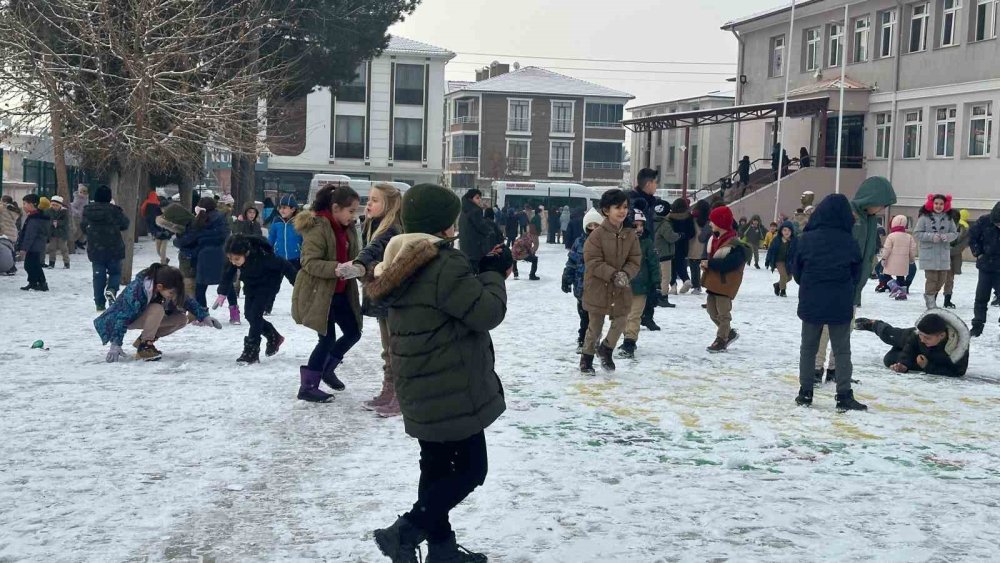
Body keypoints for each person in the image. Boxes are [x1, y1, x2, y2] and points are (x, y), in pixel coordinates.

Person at [368, 184, 509, 563]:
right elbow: (486, 312)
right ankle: (405, 531)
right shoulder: (444, 263)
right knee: (470, 469)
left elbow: (442, 298)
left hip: (419, 384)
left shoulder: (398, 259)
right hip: (451, 386)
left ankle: (442, 551)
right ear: (445, 225)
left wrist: (477, 270)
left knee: (434, 470)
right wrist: (494, 274)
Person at [814, 176, 897, 382]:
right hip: (836, 281)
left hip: (853, 285)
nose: (881, 209)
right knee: (825, 328)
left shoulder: (869, 220)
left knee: (845, 329)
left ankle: (836, 370)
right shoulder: (847, 214)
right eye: (881, 204)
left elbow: (868, 251)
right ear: (871, 198)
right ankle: (815, 369)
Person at [792, 193, 866, 411]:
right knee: (842, 350)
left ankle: (805, 392)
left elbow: (797, 271)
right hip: (840, 300)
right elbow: (857, 273)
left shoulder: (806, 239)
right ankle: (844, 394)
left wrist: (808, 284)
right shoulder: (849, 241)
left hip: (811, 298)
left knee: (808, 348)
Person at [290, 185, 362, 403]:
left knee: (353, 332)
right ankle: (308, 386)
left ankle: (327, 369)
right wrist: (336, 268)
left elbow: (354, 255)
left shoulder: (347, 228)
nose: (354, 216)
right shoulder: (317, 227)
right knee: (327, 338)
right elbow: (308, 262)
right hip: (319, 293)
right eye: (351, 211)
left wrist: (360, 267)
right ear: (336, 208)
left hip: (340, 291)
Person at [339, 183, 405, 416]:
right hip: (381, 296)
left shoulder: (392, 229)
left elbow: (372, 250)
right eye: (369, 199)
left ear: (388, 204)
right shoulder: (373, 225)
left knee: (395, 349)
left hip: (392, 297)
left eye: (375, 200)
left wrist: (358, 263)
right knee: (387, 349)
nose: (369, 204)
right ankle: (389, 391)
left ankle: (399, 396)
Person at [95, 263, 221, 362]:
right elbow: (122, 317)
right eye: (171, 293)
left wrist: (204, 316)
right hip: (119, 320)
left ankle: (143, 342)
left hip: (142, 317)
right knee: (157, 309)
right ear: (160, 287)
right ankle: (145, 347)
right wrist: (115, 343)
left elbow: (186, 300)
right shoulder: (137, 290)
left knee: (181, 319)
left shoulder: (165, 286)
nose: (172, 296)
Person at [579, 189, 641, 374]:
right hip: (598, 287)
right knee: (595, 327)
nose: (622, 211)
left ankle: (606, 349)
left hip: (621, 287)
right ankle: (587, 358)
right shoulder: (596, 235)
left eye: (625, 207)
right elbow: (593, 261)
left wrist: (626, 274)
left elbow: (635, 259)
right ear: (606, 210)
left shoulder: (630, 234)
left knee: (621, 320)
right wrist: (613, 274)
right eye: (617, 207)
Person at [218, 235, 293, 364]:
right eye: (230, 258)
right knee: (249, 315)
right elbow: (228, 272)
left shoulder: (264, 257)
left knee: (256, 315)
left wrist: (297, 283)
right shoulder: (234, 259)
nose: (233, 262)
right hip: (251, 285)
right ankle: (274, 336)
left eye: (236, 259)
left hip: (268, 285)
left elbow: (285, 266)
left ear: (246, 253)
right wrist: (222, 292)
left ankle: (251, 352)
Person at [855, 310, 969, 377]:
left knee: (889, 359)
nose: (922, 340)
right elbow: (910, 348)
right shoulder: (917, 335)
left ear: (942, 336)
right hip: (908, 339)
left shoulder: (959, 348)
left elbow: (958, 372)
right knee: (890, 335)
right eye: (921, 335)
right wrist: (904, 364)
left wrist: (926, 366)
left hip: (925, 359)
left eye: (927, 338)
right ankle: (873, 324)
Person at [701, 205, 747, 352]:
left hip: (725, 284)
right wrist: (706, 265)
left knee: (723, 313)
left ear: (721, 223)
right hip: (713, 282)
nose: (710, 224)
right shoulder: (715, 239)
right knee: (711, 311)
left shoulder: (735, 244)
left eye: (712, 221)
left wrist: (711, 263)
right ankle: (728, 333)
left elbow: (730, 264)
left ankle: (721, 339)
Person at [173, 197, 229, 309]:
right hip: (220, 255)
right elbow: (224, 235)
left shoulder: (199, 221)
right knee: (226, 283)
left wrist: (178, 241)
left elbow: (189, 239)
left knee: (200, 287)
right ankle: (234, 311)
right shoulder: (221, 219)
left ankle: (202, 313)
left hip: (202, 257)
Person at [619, 210, 660, 359]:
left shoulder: (647, 243)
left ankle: (630, 341)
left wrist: (656, 284)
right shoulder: (621, 241)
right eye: (635, 225)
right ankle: (627, 338)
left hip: (641, 285)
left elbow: (654, 264)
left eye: (641, 225)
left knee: (634, 315)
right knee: (623, 315)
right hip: (623, 285)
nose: (639, 229)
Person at [81, 185, 130, 309]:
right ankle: (112, 289)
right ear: (109, 197)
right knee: (115, 272)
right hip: (114, 247)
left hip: (95, 248)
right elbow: (125, 224)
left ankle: (99, 303)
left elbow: (83, 226)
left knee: (98, 275)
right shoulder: (114, 210)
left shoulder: (88, 210)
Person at [563, 208, 604, 353]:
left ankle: (593, 340)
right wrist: (567, 277)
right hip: (581, 286)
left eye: (596, 225)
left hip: (599, 286)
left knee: (596, 317)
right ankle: (582, 340)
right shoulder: (579, 242)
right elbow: (572, 261)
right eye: (590, 226)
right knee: (584, 316)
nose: (593, 228)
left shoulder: (605, 243)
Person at [914, 194, 958, 309]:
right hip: (929, 255)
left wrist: (947, 237)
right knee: (932, 279)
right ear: (931, 204)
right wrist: (931, 237)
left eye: (941, 204)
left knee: (942, 279)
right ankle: (930, 302)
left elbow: (954, 233)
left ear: (945, 205)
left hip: (943, 255)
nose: (938, 206)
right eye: (936, 203)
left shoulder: (949, 218)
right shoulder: (924, 217)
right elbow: (917, 233)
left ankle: (930, 296)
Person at [969, 202, 1000, 337]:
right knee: (981, 297)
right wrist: (978, 253)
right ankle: (977, 326)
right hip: (986, 266)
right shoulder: (984, 221)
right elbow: (972, 237)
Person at [15, 194, 50, 292]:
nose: (24, 206)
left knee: (32, 265)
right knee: (32, 265)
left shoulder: (35, 218)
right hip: (35, 245)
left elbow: (30, 235)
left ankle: (41, 283)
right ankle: (34, 282)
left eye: (25, 203)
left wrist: (24, 248)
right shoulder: (34, 216)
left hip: (34, 246)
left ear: (32, 204)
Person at [877, 215, 917, 301]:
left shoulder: (891, 236)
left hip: (891, 261)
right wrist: (911, 259)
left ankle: (895, 288)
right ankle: (902, 293)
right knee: (901, 277)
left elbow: (887, 249)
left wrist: (884, 258)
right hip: (903, 262)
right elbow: (912, 249)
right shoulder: (908, 237)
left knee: (886, 275)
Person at [458, 189, 491, 272]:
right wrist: (490, 231)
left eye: (480, 198)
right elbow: (482, 227)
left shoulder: (464, 210)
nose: (480, 200)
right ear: (470, 199)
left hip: (465, 247)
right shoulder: (475, 210)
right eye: (477, 198)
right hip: (475, 248)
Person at [653, 201, 679, 308]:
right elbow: (671, 237)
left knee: (658, 276)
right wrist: (679, 235)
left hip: (655, 253)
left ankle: (656, 296)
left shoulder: (652, 222)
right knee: (666, 277)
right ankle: (663, 298)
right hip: (665, 253)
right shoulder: (665, 224)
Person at [667, 198, 695, 294]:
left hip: (672, 244)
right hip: (684, 245)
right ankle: (686, 280)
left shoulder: (670, 217)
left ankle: (673, 286)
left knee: (671, 265)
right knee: (680, 263)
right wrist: (685, 236)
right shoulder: (689, 217)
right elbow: (692, 233)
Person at [944, 209, 971, 309]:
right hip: (940, 257)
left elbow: (962, 246)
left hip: (953, 257)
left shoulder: (963, 230)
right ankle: (932, 298)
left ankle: (947, 300)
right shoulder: (941, 228)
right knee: (936, 279)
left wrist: (947, 250)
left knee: (949, 279)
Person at [268, 194, 303, 270]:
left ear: (293, 209)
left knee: (295, 280)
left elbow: (304, 239)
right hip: (279, 257)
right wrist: (268, 252)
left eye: (284, 208)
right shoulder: (276, 221)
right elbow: (271, 239)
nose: (281, 210)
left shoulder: (299, 222)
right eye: (280, 208)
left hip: (296, 258)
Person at [765, 220, 797, 297]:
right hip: (779, 261)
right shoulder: (777, 240)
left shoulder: (794, 241)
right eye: (785, 230)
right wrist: (767, 260)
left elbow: (798, 251)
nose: (787, 232)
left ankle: (777, 285)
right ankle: (783, 291)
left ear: (792, 232)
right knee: (783, 276)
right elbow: (771, 250)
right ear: (781, 231)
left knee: (789, 278)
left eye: (789, 230)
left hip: (788, 261)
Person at [688, 199, 711, 295]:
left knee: (694, 267)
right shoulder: (709, 221)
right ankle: (706, 285)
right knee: (705, 268)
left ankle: (696, 286)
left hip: (694, 245)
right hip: (706, 247)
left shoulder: (693, 219)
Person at [141, 190, 169, 265]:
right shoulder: (157, 204)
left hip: (163, 233)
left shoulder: (147, 202)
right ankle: (165, 259)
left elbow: (143, 209)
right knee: (158, 250)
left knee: (162, 250)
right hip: (158, 231)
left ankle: (163, 263)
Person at [45, 195, 71, 269]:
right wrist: (52, 222)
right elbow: (46, 220)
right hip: (52, 233)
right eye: (53, 205)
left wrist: (57, 222)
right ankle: (51, 263)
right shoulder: (48, 211)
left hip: (62, 233)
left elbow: (66, 222)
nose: (54, 206)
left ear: (60, 205)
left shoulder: (64, 212)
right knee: (52, 248)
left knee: (64, 249)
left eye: (56, 205)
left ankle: (66, 263)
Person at [70, 186, 89, 250]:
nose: (82, 193)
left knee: (82, 230)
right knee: (77, 230)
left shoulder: (86, 198)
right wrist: (77, 212)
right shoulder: (78, 198)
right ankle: (74, 241)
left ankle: (80, 242)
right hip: (77, 217)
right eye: (80, 192)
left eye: (84, 192)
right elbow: (72, 206)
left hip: (83, 216)